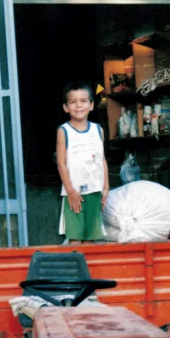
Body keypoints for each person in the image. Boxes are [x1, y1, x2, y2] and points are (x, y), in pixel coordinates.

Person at [56, 81, 110, 244]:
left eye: (83, 101)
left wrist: (106, 186)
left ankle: (88, 270)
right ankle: (75, 269)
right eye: (73, 102)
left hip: (95, 192)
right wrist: (71, 191)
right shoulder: (63, 131)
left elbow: (101, 159)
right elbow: (61, 163)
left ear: (91, 105)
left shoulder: (98, 130)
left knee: (91, 239)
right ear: (66, 107)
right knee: (75, 239)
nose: (78, 105)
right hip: (74, 195)